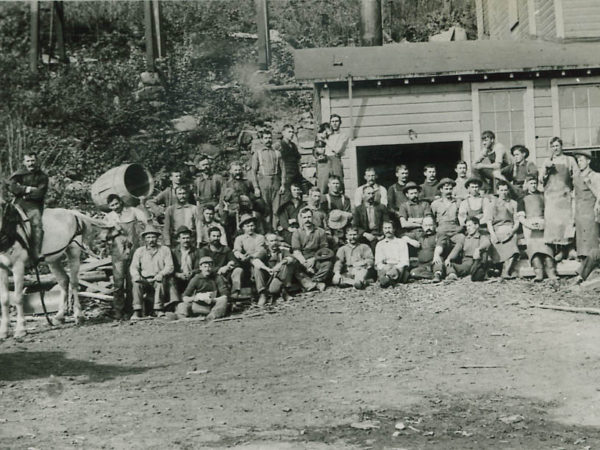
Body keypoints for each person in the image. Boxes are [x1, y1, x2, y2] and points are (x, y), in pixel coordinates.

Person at [104, 193, 149, 320]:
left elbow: (146, 220)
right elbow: (104, 237)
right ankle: (118, 310)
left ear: (121, 202)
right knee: (118, 282)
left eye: (116, 203)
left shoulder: (132, 211)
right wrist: (115, 231)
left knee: (132, 281)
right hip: (118, 253)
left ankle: (131, 309)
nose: (115, 207)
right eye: (112, 205)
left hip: (133, 250)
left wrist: (143, 204)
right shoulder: (109, 217)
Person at [539, 137, 578, 262]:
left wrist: (574, 191)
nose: (555, 148)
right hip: (551, 198)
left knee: (566, 224)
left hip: (565, 196)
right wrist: (546, 169)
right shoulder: (547, 161)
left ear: (561, 146)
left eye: (557, 146)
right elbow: (541, 179)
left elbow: (576, 177)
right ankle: (560, 251)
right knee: (554, 225)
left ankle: (570, 249)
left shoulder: (569, 160)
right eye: (553, 146)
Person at [8, 152, 49, 262]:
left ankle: (36, 252)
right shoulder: (18, 174)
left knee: (36, 224)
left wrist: (23, 192)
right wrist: (29, 189)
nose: (30, 163)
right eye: (28, 161)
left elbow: (40, 193)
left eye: (32, 161)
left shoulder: (42, 176)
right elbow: (12, 187)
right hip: (17, 202)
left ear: (36, 161)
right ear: (24, 162)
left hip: (33, 204)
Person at [129, 224, 174, 319]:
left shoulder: (164, 250)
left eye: (153, 236)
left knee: (160, 282)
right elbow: (134, 267)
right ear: (145, 239)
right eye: (148, 237)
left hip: (157, 278)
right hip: (144, 279)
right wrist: (137, 275)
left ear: (157, 238)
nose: (151, 239)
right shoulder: (139, 251)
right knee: (136, 283)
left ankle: (158, 310)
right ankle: (137, 311)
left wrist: (161, 273)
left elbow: (170, 266)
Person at [516, 176, 557, 282]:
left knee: (546, 249)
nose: (533, 185)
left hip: (543, 224)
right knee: (534, 250)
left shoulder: (542, 196)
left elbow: (549, 213)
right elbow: (521, 217)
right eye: (531, 183)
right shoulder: (522, 198)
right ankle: (538, 273)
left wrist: (545, 224)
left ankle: (551, 272)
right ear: (527, 184)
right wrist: (529, 225)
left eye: (535, 183)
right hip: (529, 225)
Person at [485, 180, 520, 279]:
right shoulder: (492, 204)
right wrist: (493, 234)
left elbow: (516, 221)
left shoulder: (513, 203)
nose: (503, 192)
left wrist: (512, 231)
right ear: (498, 191)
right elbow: (489, 222)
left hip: (510, 228)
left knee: (513, 240)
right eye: (501, 190)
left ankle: (506, 271)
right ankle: (497, 267)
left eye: (505, 190)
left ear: (508, 190)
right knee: (494, 242)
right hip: (497, 229)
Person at [292, 208, 333, 292]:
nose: (307, 220)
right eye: (305, 217)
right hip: (302, 259)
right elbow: (296, 251)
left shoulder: (320, 231)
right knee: (293, 265)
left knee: (328, 264)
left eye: (309, 217)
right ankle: (316, 284)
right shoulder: (297, 232)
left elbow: (323, 249)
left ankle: (312, 282)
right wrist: (305, 263)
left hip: (316, 258)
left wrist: (314, 259)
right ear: (301, 219)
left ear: (312, 217)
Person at [251, 128, 286, 228]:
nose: (268, 140)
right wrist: (256, 187)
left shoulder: (277, 153)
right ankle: (266, 230)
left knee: (276, 209)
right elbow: (253, 171)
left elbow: (283, 169)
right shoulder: (258, 153)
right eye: (265, 138)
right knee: (265, 209)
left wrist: (283, 184)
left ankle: (275, 229)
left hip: (275, 182)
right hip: (263, 182)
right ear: (262, 140)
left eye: (270, 138)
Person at [252, 233, 296, 304]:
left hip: (279, 278)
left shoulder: (282, 250)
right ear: (267, 243)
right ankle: (262, 294)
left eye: (276, 240)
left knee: (285, 264)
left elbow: (291, 258)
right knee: (257, 268)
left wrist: (280, 264)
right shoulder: (264, 252)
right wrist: (267, 269)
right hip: (268, 279)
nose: (274, 243)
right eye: (271, 241)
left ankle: (284, 291)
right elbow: (255, 261)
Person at [572, 150, 600, 259]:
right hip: (580, 212)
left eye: (581, 160)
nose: (579, 162)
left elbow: (599, 195)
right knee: (581, 240)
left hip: (590, 211)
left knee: (591, 239)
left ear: (588, 161)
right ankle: (584, 264)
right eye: (578, 160)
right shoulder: (576, 177)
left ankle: (594, 264)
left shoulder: (595, 176)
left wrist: (597, 209)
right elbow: (574, 195)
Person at [232, 214, 267, 301]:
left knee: (257, 266)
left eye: (252, 225)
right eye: (247, 226)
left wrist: (252, 256)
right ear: (243, 228)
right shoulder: (239, 238)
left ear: (255, 226)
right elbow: (236, 250)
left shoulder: (260, 237)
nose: (250, 228)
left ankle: (262, 293)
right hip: (245, 263)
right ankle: (235, 294)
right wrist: (241, 256)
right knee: (237, 270)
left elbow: (261, 251)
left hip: (257, 261)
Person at [445, 217, 490, 281]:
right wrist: (449, 258)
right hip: (466, 264)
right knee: (449, 264)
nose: (468, 228)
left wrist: (479, 249)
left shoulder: (481, 237)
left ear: (476, 226)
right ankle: (452, 275)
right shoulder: (465, 238)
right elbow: (457, 249)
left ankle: (477, 273)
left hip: (476, 262)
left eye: (470, 225)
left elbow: (487, 242)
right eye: (467, 226)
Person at [375, 221, 419, 288]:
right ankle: (389, 279)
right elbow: (378, 262)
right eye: (385, 228)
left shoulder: (401, 242)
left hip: (398, 268)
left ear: (394, 229)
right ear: (383, 230)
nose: (387, 230)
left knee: (398, 270)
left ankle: (387, 279)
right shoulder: (380, 244)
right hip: (385, 267)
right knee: (382, 270)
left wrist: (395, 268)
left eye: (389, 228)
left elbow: (405, 261)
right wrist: (386, 267)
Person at [407, 216, 446, 283]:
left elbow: (440, 246)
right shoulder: (419, 235)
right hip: (422, 265)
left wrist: (436, 255)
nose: (428, 228)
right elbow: (402, 236)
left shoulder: (439, 235)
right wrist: (410, 241)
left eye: (430, 225)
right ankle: (432, 276)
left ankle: (437, 275)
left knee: (438, 261)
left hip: (434, 261)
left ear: (434, 225)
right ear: (422, 226)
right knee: (413, 273)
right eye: (426, 225)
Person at [353, 185, 389, 252]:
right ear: (363, 195)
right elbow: (355, 226)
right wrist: (366, 234)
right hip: (364, 234)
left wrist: (383, 235)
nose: (371, 196)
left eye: (373, 193)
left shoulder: (381, 207)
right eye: (368, 193)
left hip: (378, 233)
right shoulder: (358, 209)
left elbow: (386, 222)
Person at [170, 226, 201, 296]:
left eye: (188, 238)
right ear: (178, 239)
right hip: (178, 279)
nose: (186, 240)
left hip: (192, 278)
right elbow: (170, 268)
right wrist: (178, 275)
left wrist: (191, 273)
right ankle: (175, 302)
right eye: (183, 238)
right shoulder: (173, 252)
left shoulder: (197, 251)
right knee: (171, 280)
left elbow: (199, 267)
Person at [280, 124, 307, 192]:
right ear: (283, 133)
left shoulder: (293, 145)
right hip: (286, 175)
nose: (291, 134)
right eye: (289, 132)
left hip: (296, 174)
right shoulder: (279, 145)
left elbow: (298, 159)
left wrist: (299, 168)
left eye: (292, 132)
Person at [325, 114, 348, 181]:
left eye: (336, 121)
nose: (334, 123)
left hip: (336, 159)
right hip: (325, 160)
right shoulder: (327, 134)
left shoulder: (343, 135)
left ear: (340, 123)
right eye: (332, 121)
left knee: (338, 180)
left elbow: (337, 150)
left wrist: (325, 140)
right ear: (330, 123)